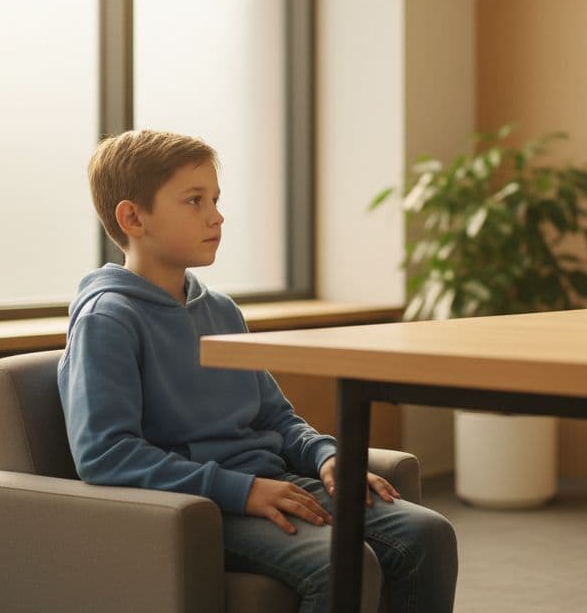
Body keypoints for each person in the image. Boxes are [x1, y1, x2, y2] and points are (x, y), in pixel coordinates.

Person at [59, 130, 457, 613]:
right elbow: (105, 453)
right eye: (194, 200)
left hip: (275, 483)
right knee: (343, 563)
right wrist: (241, 491)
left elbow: (277, 418)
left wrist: (328, 458)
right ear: (132, 217)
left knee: (427, 533)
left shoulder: (222, 311)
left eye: (216, 199)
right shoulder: (108, 318)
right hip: (200, 506)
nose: (216, 215)